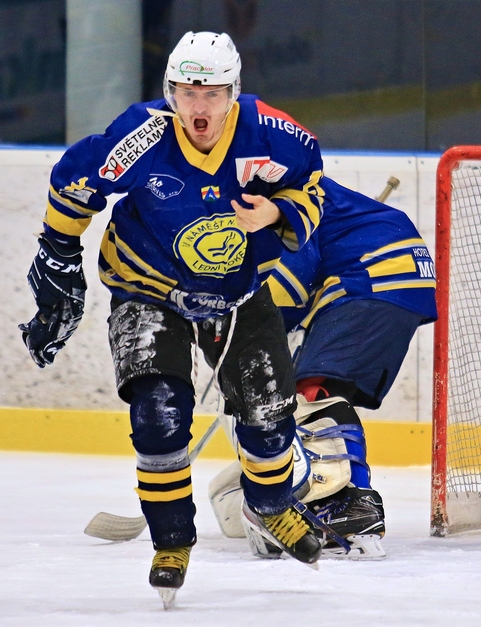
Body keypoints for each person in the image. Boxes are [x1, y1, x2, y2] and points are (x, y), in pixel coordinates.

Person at [18, 31, 325, 605]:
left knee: (267, 409)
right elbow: (76, 183)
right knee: (157, 415)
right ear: (170, 92)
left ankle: (271, 504)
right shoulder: (142, 134)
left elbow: (310, 188)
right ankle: (172, 541)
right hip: (147, 288)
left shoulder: (274, 135)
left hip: (236, 292)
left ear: (233, 93)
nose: (199, 107)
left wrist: (278, 213)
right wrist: (58, 251)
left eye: (212, 94)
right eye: (187, 92)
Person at [209, 176, 437, 558]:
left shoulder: (260, 200)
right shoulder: (274, 187)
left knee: (309, 392)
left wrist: (255, 335)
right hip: (394, 276)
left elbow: (293, 281)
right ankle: (343, 500)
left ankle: (347, 502)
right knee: (324, 388)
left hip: (372, 275)